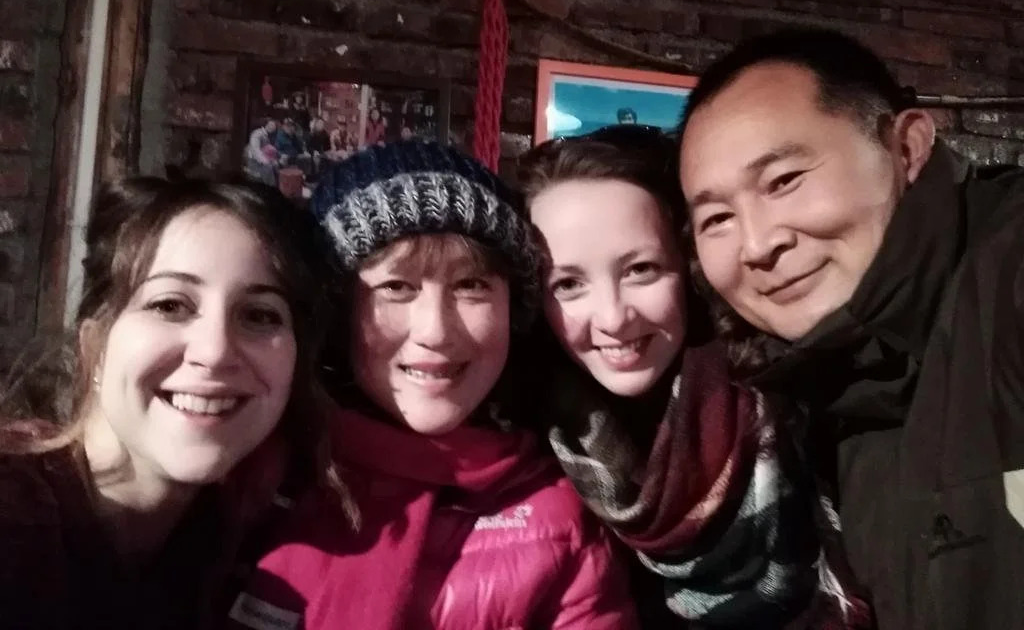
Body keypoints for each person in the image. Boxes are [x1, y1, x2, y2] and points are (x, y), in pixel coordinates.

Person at [678, 27, 1024, 630]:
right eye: (717, 218)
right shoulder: (810, 391)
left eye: (784, 180)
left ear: (907, 149)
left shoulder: (1006, 275)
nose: (757, 244)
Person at [227, 141, 639, 630]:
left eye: (471, 286)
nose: (436, 331)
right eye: (396, 287)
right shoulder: (246, 475)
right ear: (338, 311)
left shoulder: (559, 519)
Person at [519, 126, 845, 628]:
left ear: (688, 268)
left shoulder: (795, 404)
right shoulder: (525, 445)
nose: (613, 317)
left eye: (641, 269)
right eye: (568, 284)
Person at [0, 176, 348, 629]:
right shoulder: (14, 522)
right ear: (94, 346)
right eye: (170, 305)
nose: (216, 351)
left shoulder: (253, 550)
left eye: (259, 315)